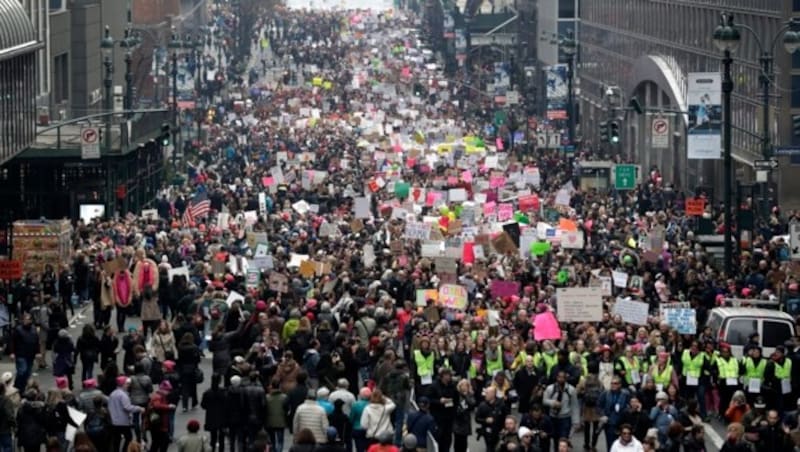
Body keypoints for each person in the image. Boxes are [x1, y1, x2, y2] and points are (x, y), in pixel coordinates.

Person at [108, 376, 144, 452]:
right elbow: (127, 407)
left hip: (114, 421)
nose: (128, 385)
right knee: (129, 437)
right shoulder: (123, 395)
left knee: (116, 440)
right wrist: (139, 408)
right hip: (123, 421)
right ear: (123, 384)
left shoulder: (112, 394)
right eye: (127, 384)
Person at [10, 313, 39, 391]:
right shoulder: (18, 329)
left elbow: (36, 341)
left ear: (31, 320)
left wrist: (37, 352)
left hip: (30, 354)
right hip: (21, 354)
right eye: (25, 319)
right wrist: (12, 352)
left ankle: (22, 388)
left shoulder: (33, 329)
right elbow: (13, 341)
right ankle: (17, 386)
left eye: (28, 319)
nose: (26, 321)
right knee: (22, 370)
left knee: (28, 372)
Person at [145, 380, 176, 452]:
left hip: (157, 424)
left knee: (156, 442)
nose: (168, 392)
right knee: (163, 441)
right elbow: (157, 406)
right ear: (162, 389)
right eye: (168, 390)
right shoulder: (158, 396)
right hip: (158, 424)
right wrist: (168, 406)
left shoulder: (159, 396)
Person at [200, 373, 227, 452]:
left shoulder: (207, 393)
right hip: (222, 417)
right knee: (221, 437)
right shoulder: (223, 392)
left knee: (213, 437)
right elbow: (226, 404)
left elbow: (203, 405)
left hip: (211, 417)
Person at [266, 378, 290, 452]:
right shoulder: (284, 397)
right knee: (280, 441)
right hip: (281, 421)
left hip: (270, 421)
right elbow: (287, 409)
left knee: (272, 441)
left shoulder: (267, 397)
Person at [0, 383, 15, 452]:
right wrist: (14, 425)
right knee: (7, 447)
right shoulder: (6, 400)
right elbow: (9, 415)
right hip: (4, 429)